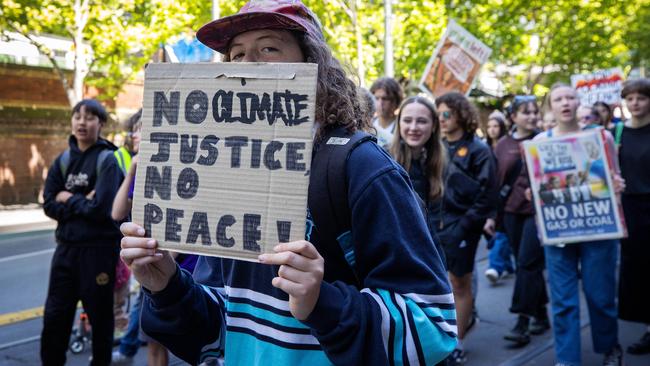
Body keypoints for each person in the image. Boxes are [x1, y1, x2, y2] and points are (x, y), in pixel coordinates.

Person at [119, 1, 457, 365]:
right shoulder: (220, 177)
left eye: (268, 48)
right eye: (236, 55)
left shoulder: (362, 167)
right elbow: (218, 334)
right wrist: (167, 287)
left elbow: (434, 329)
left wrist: (321, 302)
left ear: (312, 64)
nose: (248, 67)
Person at [534, 83, 624, 366]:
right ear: (551, 106)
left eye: (570, 97)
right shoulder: (539, 143)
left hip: (598, 228)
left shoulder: (601, 137)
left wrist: (617, 185)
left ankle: (609, 347)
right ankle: (567, 360)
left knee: (601, 295)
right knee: (563, 302)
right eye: (558, 99)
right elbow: (538, 188)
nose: (565, 103)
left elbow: (615, 177)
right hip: (558, 233)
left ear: (578, 102)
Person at [41, 99, 124, 366]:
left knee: (100, 318)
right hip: (65, 251)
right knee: (55, 317)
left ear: (101, 124)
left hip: (98, 253)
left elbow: (102, 210)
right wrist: (82, 200)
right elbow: (49, 204)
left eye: (89, 117)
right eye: (77, 116)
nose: (81, 122)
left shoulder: (107, 160)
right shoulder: (62, 161)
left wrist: (69, 198)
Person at [434, 92, 498, 365]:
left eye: (446, 114)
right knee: (441, 281)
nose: (441, 119)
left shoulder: (478, 149)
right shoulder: (433, 146)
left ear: (460, 114)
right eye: (438, 114)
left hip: (463, 226)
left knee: (460, 281)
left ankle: (456, 341)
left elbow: (487, 194)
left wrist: (466, 224)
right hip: (436, 224)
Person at [484, 96, 549, 347]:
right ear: (513, 117)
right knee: (526, 264)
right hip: (510, 213)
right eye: (525, 112)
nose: (532, 116)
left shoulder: (545, 140)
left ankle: (522, 321)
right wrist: (492, 216)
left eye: (534, 112)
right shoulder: (502, 145)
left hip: (538, 212)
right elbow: (495, 183)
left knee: (526, 264)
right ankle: (542, 315)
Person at [617, 78, 650, 355]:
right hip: (630, 210)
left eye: (641, 97)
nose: (635, 103)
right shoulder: (617, 133)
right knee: (638, 270)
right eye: (630, 98)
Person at [389, 96, 446, 238]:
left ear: (433, 125)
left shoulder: (439, 161)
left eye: (421, 121)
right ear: (399, 123)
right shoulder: (384, 160)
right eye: (407, 120)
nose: (413, 128)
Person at [482, 111, 515, 285]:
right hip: (489, 196)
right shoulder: (483, 147)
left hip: (507, 196)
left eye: (496, 126)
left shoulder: (508, 147)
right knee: (494, 234)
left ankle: (495, 266)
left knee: (501, 232)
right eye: (489, 126)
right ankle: (508, 265)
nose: (492, 130)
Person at [369, 76, 403, 148]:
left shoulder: (402, 127)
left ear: (395, 101)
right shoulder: (369, 125)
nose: (380, 103)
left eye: (385, 99)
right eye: (376, 98)